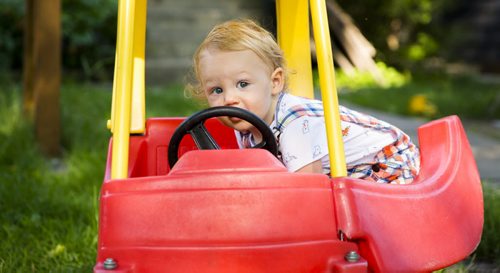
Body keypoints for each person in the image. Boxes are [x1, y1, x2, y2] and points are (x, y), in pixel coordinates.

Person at [186, 19, 420, 184]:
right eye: (216, 89)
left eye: (243, 84)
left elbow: (308, 190)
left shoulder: (295, 125)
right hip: (352, 170)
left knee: (342, 214)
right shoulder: (245, 120)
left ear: (275, 82)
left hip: (387, 162)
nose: (229, 99)